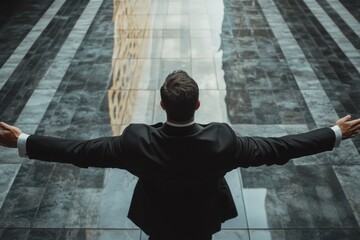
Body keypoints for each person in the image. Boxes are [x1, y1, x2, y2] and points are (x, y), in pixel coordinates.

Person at [1, 70, 360, 240]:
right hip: (202, 219)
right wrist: (333, 133)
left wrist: (24, 140)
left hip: (156, 219)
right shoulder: (224, 142)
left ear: (162, 104)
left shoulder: (135, 142)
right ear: (198, 105)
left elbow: (78, 152)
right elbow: (281, 148)